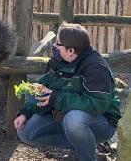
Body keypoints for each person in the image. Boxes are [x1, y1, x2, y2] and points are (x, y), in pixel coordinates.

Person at [14, 23, 121, 161]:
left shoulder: (96, 67)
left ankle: (87, 157)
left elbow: (96, 105)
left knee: (74, 120)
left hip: (102, 122)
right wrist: (25, 112)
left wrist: (57, 98)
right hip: (66, 118)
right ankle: (79, 147)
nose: (53, 46)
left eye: (57, 44)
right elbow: (42, 89)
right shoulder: (56, 61)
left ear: (70, 50)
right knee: (25, 131)